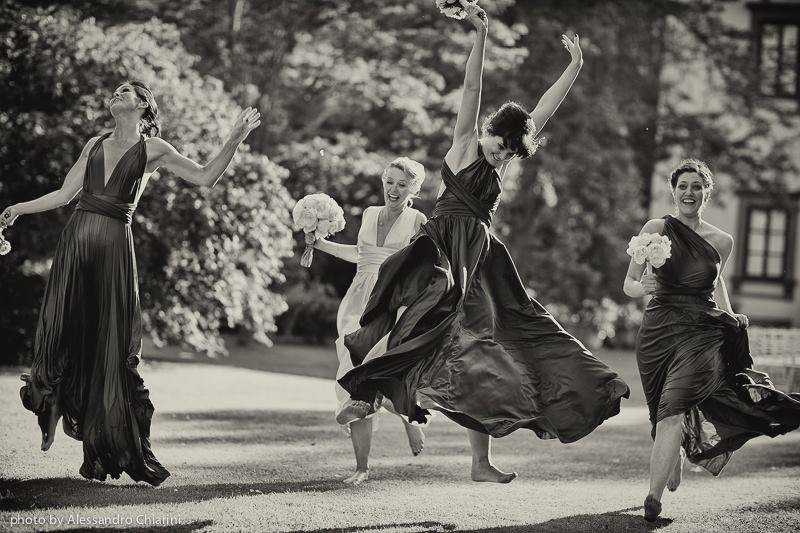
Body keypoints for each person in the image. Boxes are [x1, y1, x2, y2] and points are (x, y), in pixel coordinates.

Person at [337, 3, 629, 484]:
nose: (503, 153)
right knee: (414, 316)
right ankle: (366, 393)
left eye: (512, 150)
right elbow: (472, 87)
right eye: (502, 144)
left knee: (494, 343)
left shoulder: (503, 160)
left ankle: (480, 461)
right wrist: (481, 35)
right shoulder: (468, 143)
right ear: (491, 130)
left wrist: (574, 67)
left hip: (481, 259)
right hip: (440, 251)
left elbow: (542, 113)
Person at [1, 80, 261, 486]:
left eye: (125, 91)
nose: (115, 93)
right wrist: (19, 208)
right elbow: (65, 193)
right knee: (63, 326)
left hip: (113, 251)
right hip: (76, 243)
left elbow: (206, 176)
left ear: (142, 105)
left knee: (109, 341)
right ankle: (51, 404)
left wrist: (234, 138)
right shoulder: (94, 144)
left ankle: (106, 440)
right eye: (115, 90)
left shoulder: (154, 150)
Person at [623, 158, 800, 521]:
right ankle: (674, 458)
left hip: (701, 332)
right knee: (663, 411)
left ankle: (652, 498)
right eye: (683, 186)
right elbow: (627, 284)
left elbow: (715, 281)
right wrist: (642, 287)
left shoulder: (723, 240)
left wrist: (731, 315)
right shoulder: (656, 228)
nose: (690, 192)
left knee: (673, 405)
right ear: (674, 191)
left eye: (697, 186)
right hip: (658, 331)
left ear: (707, 192)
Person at [314, 157, 428, 485]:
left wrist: (409, 312)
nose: (393, 189)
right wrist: (320, 244)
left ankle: (411, 417)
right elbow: (361, 255)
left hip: (389, 304)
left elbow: (421, 272)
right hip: (356, 303)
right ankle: (362, 467)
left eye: (402, 185)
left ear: (414, 189)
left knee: (373, 377)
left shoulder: (418, 220)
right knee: (350, 379)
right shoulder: (368, 214)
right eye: (389, 182)